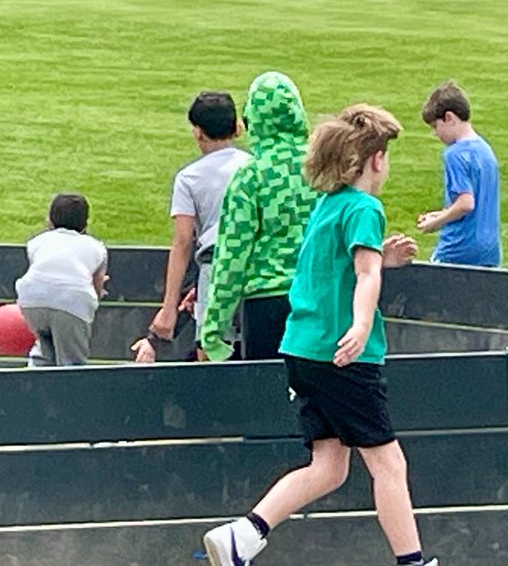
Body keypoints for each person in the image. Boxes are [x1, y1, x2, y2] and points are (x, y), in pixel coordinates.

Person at [203, 105, 435, 566]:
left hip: (303, 351)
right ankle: (413, 563)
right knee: (389, 464)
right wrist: (362, 325)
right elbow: (365, 276)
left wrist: (380, 260)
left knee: (328, 465)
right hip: (345, 355)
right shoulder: (366, 208)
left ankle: (244, 536)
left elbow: (336, 268)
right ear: (375, 160)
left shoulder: (329, 206)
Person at [201, 72, 319, 362]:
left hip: (267, 303)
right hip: (320, 296)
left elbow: (232, 254)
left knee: (269, 398)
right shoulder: (323, 169)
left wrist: (213, 326)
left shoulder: (251, 175)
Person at [133, 91, 250, 364]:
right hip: (256, 267)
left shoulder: (189, 178)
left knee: (209, 357)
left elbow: (183, 242)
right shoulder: (253, 167)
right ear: (236, 127)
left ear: (198, 132)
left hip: (215, 269)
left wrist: (169, 308)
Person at [14, 193, 108, 367]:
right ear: (85, 223)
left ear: (49, 220)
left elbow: (41, 270)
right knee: (72, 363)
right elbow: (97, 285)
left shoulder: (36, 242)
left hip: (31, 301)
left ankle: (33, 382)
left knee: (43, 350)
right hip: (72, 305)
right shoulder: (97, 248)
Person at [417, 80, 501, 267]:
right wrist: (440, 213)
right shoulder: (485, 150)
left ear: (449, 118)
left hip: (457, 248)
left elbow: (465, 204)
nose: (435, 134)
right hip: (489, 250)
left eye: (435, 126)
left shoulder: (455, 154)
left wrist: (436, 223)